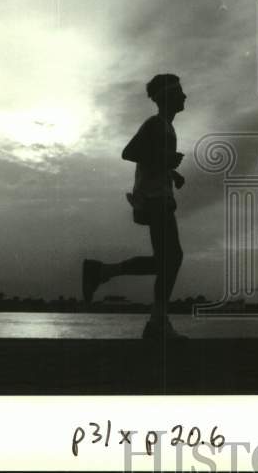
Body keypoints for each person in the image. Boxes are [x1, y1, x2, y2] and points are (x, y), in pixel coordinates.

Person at [82, 73, 188, 340]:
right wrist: (165, 159)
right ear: (167, 96)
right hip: (153, 200)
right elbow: (129, 152)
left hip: (158, 197)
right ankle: (157, 323)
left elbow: (150, 162)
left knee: (167, 260)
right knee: (171, 259)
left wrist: (172, 173)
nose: (185, 96)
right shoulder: (155, 124)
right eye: (179, 91)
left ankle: (103, 271)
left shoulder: (166, 126)